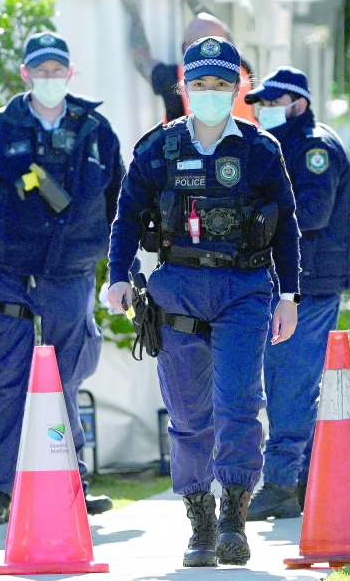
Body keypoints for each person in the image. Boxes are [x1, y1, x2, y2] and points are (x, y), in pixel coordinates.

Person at [106, 37, 301, 567]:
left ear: (238, 87)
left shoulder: (261, 150)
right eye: (200, 85)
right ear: (184, 88)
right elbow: (126, 216)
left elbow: (286, 228)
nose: (211, 93)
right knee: (190, 415)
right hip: (178, 291)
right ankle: (201, 520)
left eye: (221, 84)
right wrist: (118, 276)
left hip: (244, 290)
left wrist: (289, 296)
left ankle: (235, 516)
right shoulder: (156, 148)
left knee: (240, 404)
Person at [0, 32, 124, 527]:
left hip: (70, 275)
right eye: (40, 71)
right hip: (10, 276)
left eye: (57, 70)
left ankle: (73, 482)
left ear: (71, 74)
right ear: (25, 74)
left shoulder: (96, 131)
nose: (49, 79)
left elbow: (121, 209)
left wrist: (121, 271)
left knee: (66, 378)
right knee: (9, 379)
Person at [238, 67, 350, 521]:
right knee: (292, 382)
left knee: (290, 382)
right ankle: (305, 483)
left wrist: (251, 216)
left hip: (310, 284)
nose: (264, 111)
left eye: (274, 103)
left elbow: (311, 212)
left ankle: (280, 483)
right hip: (298, 282)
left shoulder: (314, 147)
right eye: (260, 104)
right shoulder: (281, 145)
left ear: (299, 104)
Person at [121, 0, 256, 123]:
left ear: (186, 46)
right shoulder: (241, 68)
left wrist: (135, 16)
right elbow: (222, 32)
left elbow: (142, 60)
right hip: (249, 144)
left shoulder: (174, 79)